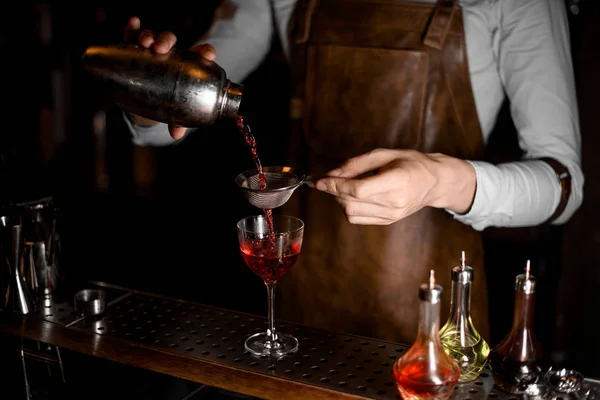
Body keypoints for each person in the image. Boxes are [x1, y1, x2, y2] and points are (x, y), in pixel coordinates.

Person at [120, 0, 583, 348]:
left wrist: (442, 180)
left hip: (433, 323)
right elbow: (177, 113)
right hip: (301, 313)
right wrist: (151, 93)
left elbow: (564, 187)